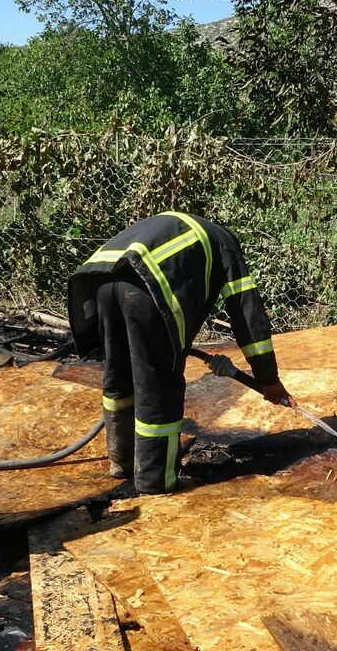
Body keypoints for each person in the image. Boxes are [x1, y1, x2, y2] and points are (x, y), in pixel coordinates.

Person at [68, 212, 294, 495]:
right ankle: (156, 480)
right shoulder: (225, 244)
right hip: (146, 289)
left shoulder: (181, 227)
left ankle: (123, 461)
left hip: (101, 281)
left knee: (120, 375)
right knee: (158, 385)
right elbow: (246, 312)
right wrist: (268, 378)